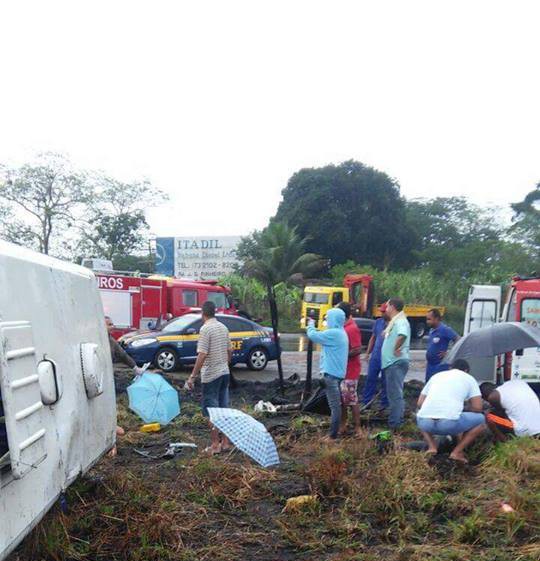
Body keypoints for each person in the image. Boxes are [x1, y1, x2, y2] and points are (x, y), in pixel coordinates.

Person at [185, 301, 233, 455]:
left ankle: (215, 445)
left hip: (211, 376)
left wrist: (193, 376)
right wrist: (225, 364)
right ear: (215, 312)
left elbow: (202, 354)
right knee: (224, 409)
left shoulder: (205, 329)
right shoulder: (223, 327)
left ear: (203, 313)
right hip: (224, 373)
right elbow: (230, 350)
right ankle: (226, 443)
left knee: (212, 412)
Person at [416, 359, 486, 463]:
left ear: (450, 368)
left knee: (420, 414)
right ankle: (457, 452)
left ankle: (432, 447)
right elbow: (478, 408)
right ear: (466, 370)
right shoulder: (469, 378)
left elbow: (420, 403)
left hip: (425, 424)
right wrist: (464, 407)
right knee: (481, 420)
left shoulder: (436, 376)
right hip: (449, 424)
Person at [307, 307, 348, 440]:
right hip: (336, 375)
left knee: (334, 407)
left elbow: (313, 336)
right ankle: (334, 432)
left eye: (328, 318)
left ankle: (332, 437)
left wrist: (311, 324)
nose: (327, 321)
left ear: (333, 319)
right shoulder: (341, 332)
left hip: (330, 375)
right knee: (335, 405)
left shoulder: (334, 333)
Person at [381, 298, 411, 430]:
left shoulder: (401, 321)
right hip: (391, 362)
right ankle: (396, 420)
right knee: (393, 393)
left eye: (387, 306)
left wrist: (395, 348)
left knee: (395, 394)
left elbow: (402, 335)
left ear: (392, 307)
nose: (386, 309)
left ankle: (395, 424)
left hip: (395, 362)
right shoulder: (396, 321)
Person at [336, 302, 362, 435]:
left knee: (351, 399)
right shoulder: (344, 327)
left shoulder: (351, 328)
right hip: (343, 370)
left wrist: (342, 354)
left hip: (350, 370)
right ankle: (344, 424)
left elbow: (357, 349)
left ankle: (357, 427)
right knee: (343, 400)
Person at [362, 304, 389, 410]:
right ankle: (366, 401)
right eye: (381, 312)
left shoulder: (394, 325)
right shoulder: (378, 322)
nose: (382, 314)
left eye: (384, 312)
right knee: (370, 378)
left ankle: (384, 404)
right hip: (375, 356)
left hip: (387, 358)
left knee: (385, 381)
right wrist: (368, 353)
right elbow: (373, 338)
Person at [425, 308, 460, 382]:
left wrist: (450, 353)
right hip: (430, 365)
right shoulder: (432, 330)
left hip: (439, 365)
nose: (427, 322)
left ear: (436, 318)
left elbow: (458, 339)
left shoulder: (445, 329)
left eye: (429, 319)